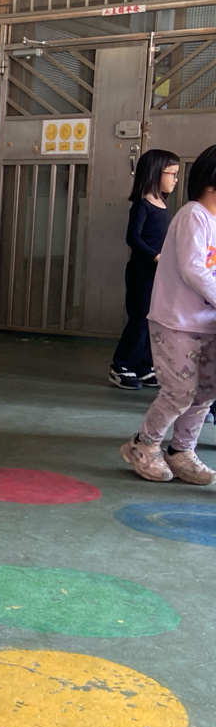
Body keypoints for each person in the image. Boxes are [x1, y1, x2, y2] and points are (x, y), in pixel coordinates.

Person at [120, 144, 216, 485]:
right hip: (177, 322)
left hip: (207, 323)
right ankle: (143, 445)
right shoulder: (193, 216)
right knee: (179, 392)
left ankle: (181, 450)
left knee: (205, 391)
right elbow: (194, 269)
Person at [109, 149, 181, 389]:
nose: (175, 179)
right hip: (142, 273)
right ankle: (121, 366)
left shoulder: (162, 204)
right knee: (139, 320)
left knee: (154, 320)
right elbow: (133, 238)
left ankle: (143, 365)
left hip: (159, 274)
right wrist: (157, 256)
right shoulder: (142, 205)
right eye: (172, 173)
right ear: (155, 173)